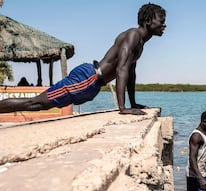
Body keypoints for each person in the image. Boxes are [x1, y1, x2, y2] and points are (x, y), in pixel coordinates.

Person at [0, 3, 166, 115]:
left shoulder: (140, 43)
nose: (164, 25)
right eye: (161, 20)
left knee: (39, 105)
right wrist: (123, 108)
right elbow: (121, 69)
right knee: (36, 103)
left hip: (92, 85)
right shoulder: (133, 35)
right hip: (88, 78)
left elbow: (130, 74)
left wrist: (133, 104)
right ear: (148, 20)